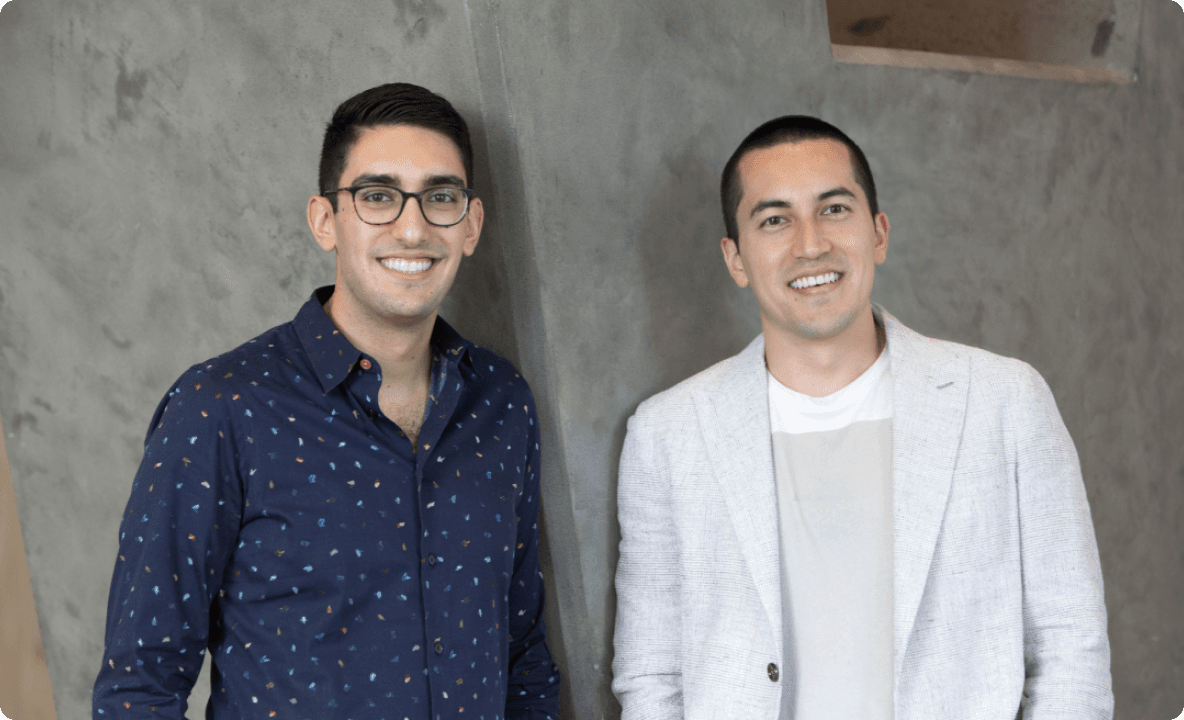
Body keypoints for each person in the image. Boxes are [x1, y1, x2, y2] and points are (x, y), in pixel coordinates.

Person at [612, 116, 1112, 719]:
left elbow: (1070, 643)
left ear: (878, 233)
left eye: (834, 209)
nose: (810, 244)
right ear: (736, 259)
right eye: (774, 220)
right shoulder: (666, 435)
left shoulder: (1005, 402)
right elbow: (651, 673)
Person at [93, 82, 561, 719]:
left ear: (471, 225)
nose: (413, 228)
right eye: (378, 196)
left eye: (440, 197)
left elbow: (523, 656)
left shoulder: (502, 404)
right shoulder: (222, 407)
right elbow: (139, 685)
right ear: (324, 221)